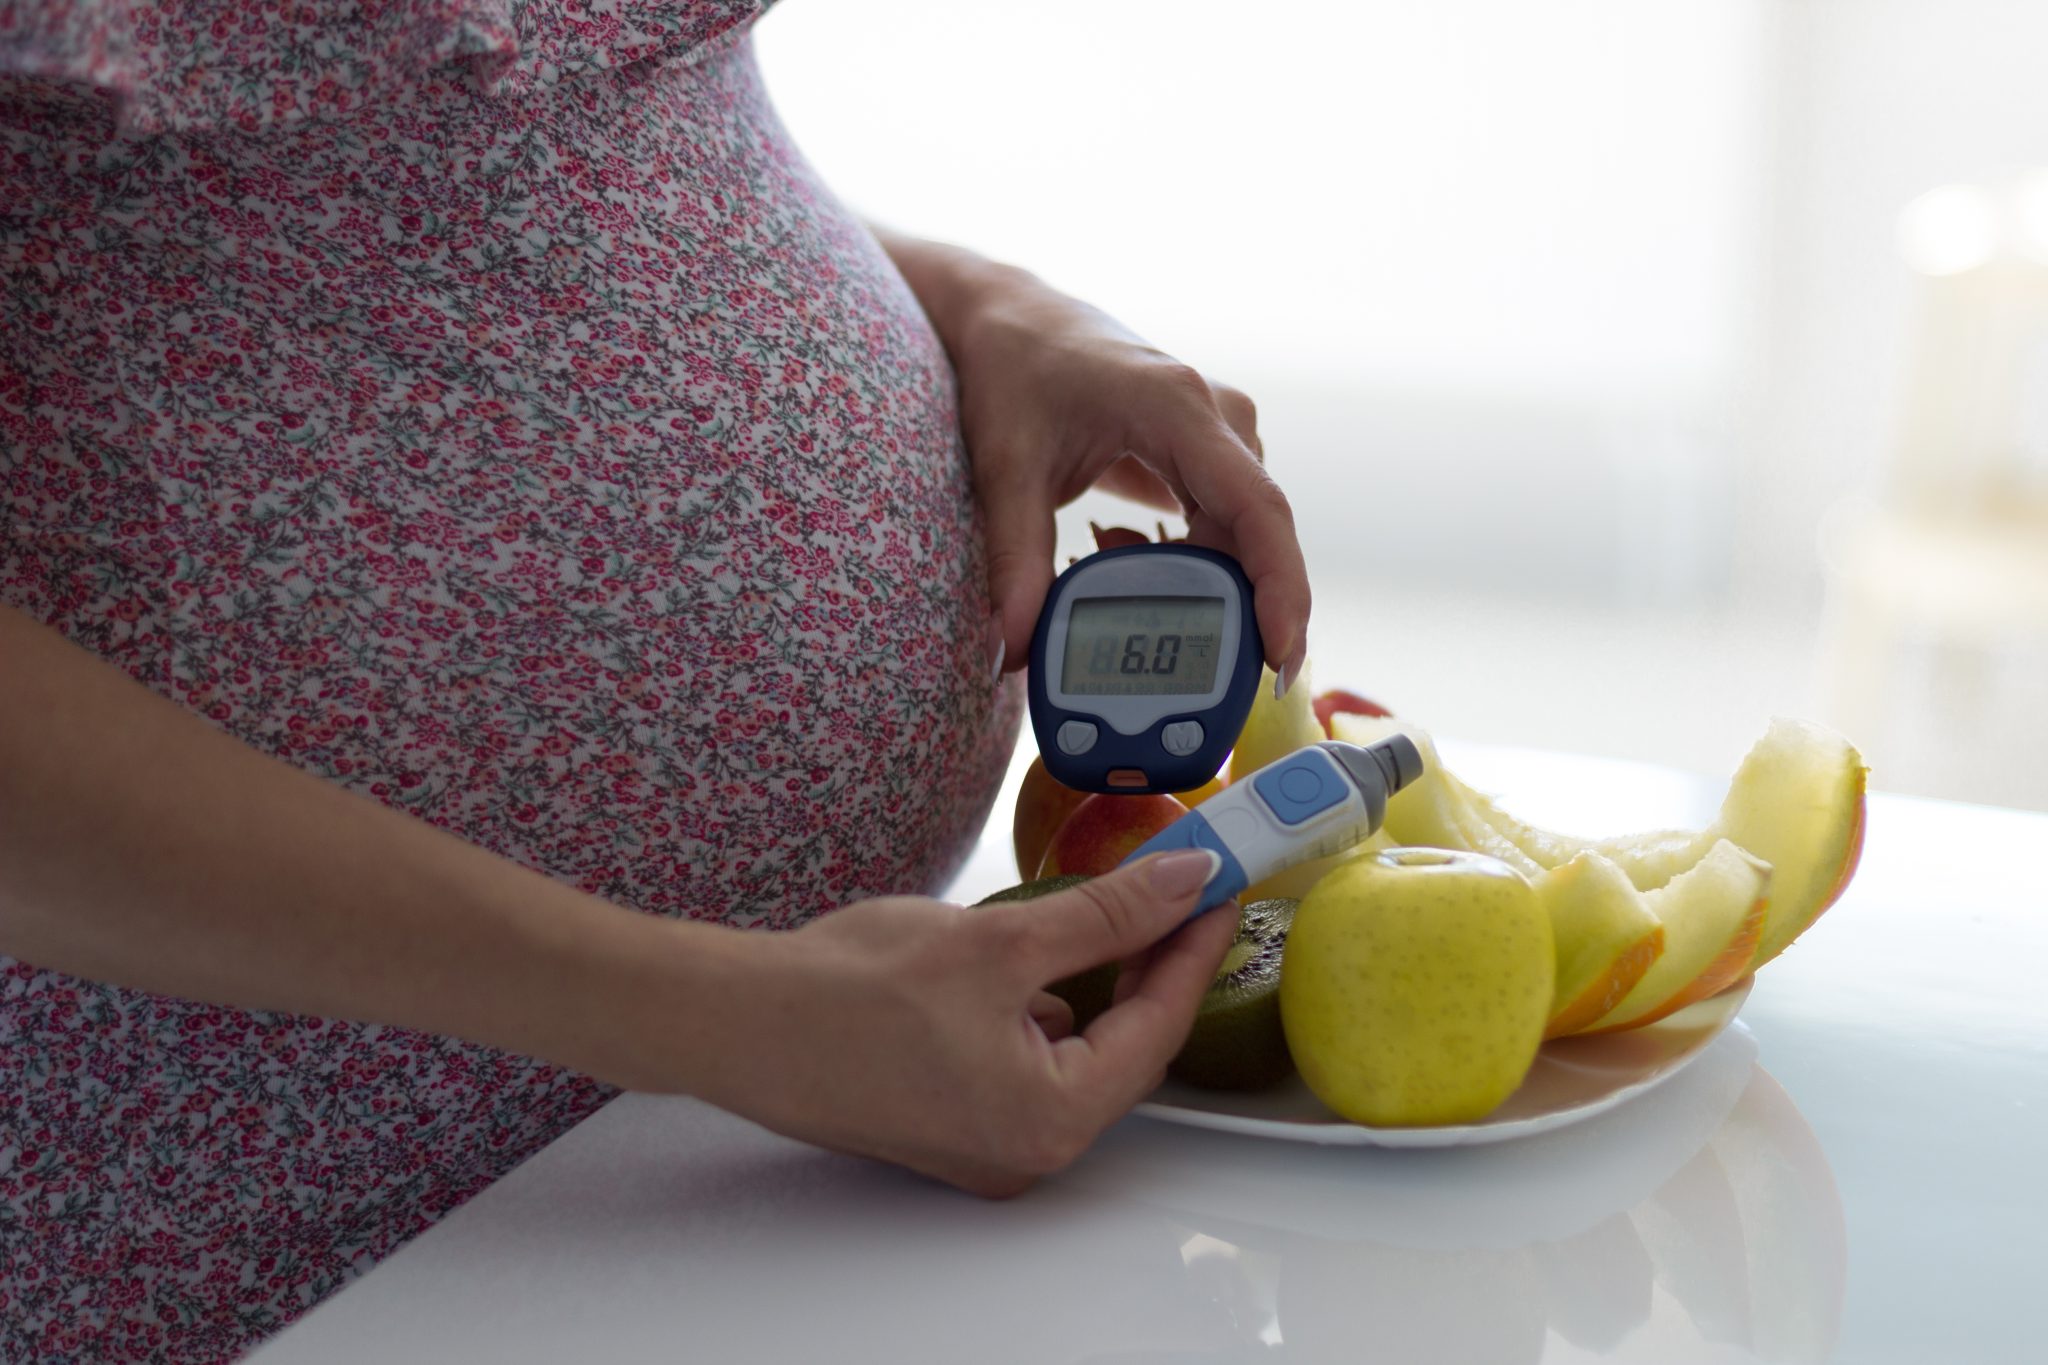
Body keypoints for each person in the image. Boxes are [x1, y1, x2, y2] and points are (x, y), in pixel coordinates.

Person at [0, 1, 1311, 1358]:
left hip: (776, 1161)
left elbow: (532, 149)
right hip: (282, 1231)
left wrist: (979, 302)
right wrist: (709, 1014)